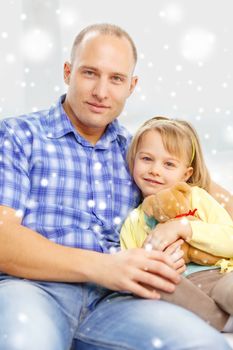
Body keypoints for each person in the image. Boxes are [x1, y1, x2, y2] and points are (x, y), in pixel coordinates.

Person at [0, 23, 231, 350]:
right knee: (26, 342)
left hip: (120, 302)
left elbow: (210, 195)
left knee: (203, 345)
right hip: (34, 290)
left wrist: (183, 234)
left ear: (132, 86)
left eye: (116, 79)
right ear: (68, 72)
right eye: (90, 73)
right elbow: (2, 239)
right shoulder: (17, 135)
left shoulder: (139, 152)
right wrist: (105, 266)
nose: (101, 92)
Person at [120, 116, 233, 332]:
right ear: (133, 160)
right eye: (146, 159)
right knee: (157, 287)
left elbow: (230, 239)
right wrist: (152, 261)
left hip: (219, 273)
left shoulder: (198, 198)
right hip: (179, 285)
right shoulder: (134, 219)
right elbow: (132, 269)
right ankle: (225, 323)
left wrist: (185, 227)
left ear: (186, 173)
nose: (155, 170)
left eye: (169, 164)